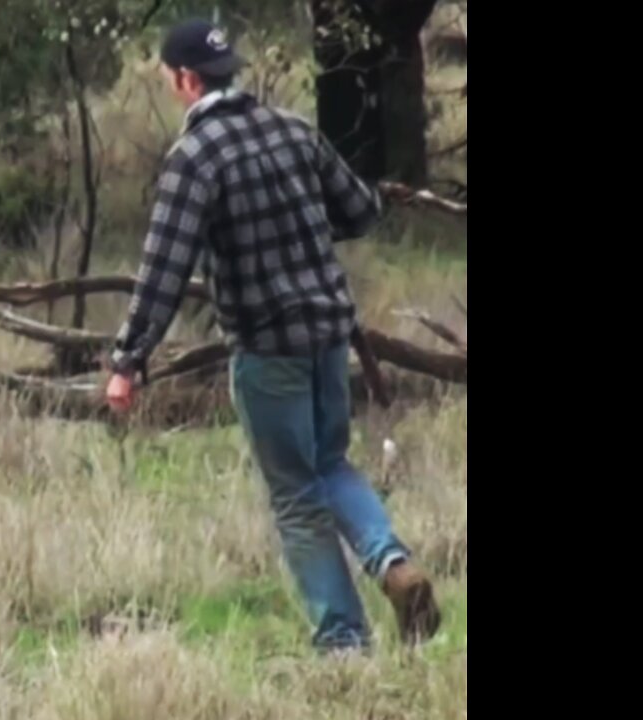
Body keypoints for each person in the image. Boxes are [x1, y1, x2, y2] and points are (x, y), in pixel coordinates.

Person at [105, 18, 440, 651]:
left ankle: (342, 640)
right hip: (328, 334)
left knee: (294, 495)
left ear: (184, 79)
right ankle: (393, 563)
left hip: (267, 347)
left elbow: (163, 271)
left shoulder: (194, 158)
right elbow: (361, 210)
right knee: (331, 462)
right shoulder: (292, 131)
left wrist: (127, 360)